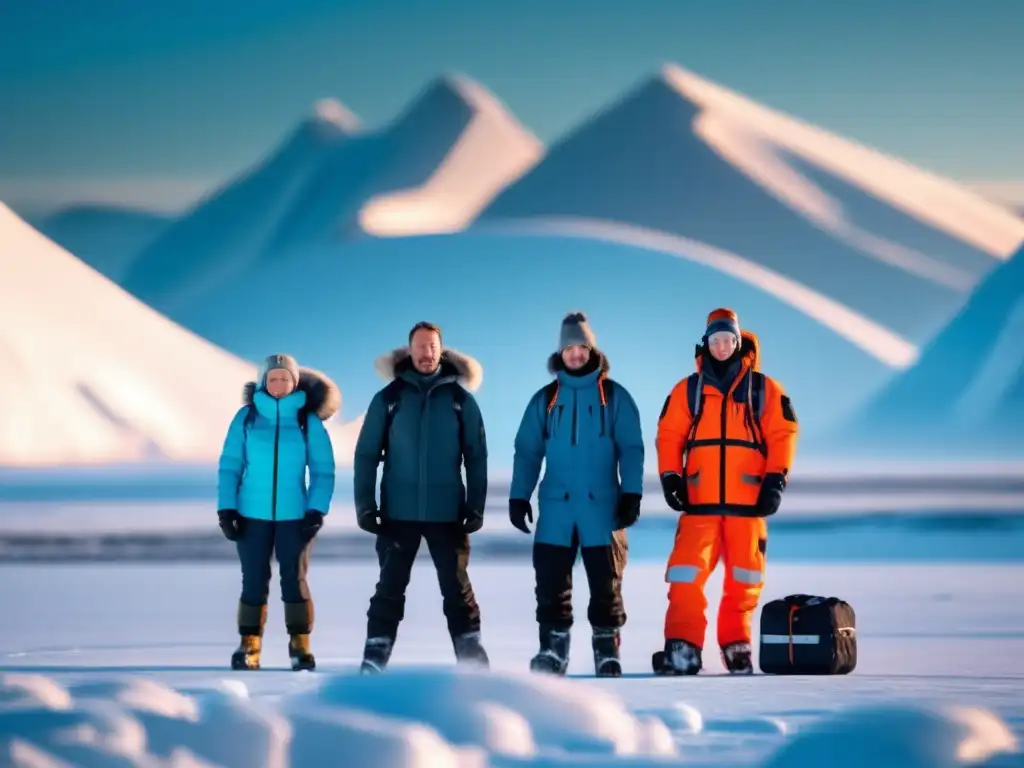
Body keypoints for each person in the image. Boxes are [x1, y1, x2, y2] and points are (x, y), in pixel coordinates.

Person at [653, 308, 799, 675]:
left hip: (748, 506)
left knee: (745, 580)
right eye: (715, 341)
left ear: (738, 342)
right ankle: (683, 647)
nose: (721, 347)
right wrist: (671, 476)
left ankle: (737, 646)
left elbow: (782, 435)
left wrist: (775, 480)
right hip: (699, 504)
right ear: (706, 344)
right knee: (685, 576)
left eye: (728, 341)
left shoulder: (764, 389)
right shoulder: (688, 389)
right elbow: (669, 435)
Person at [508, 311, 645, 677]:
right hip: (556, 508)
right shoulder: (546, 399)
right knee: (551, 586)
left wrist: (631, 492)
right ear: (560, 353)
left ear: (591, 349)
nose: (575, 354)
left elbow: (632, 447)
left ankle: (607, 651)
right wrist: (519, 496)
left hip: (603, 508)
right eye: (569, 348)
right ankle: (553, 651)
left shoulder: (614, 397)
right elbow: (527, 450)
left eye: (581, 347)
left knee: (606, 584)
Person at [353, 321, 489, 673]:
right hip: (398, 513)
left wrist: (476, 504)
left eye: (432, 347)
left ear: (440, 351)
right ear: (409, 350)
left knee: (457, 588)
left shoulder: (461, 400)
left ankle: (472, 658)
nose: (426, 353)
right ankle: (375, 656)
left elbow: (476, 456)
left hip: (448, 513)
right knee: (389, 588)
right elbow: (366, 454)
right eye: (420, 346)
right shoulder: (389, 398)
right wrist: (365, 505)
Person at [216, 353, 338, 671]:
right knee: (253, 581)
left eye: (285, 378)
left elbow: (323, 470)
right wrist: (227, 509)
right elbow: (230, 466)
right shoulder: (246, 418)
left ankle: (300, 648)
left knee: (294, 581)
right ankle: (249, 647)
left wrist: (316, 509)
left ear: (294, 382)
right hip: (250, 516)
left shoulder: (306, 422)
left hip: (294, 518)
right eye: (273, 379)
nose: (279, 384)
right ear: (262, 382)